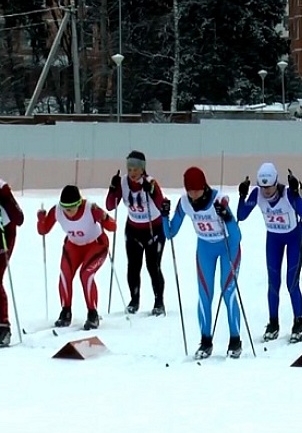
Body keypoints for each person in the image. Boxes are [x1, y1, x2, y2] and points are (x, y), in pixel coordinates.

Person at [162, 167, 243, 360]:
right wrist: (164, 215)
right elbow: (170, 233)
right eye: (190, 190)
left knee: (228, 292)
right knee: (205, 295)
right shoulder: (184, 203)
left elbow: (237, 236)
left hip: (228, 247)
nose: (194, 194)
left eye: (197, 190)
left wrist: (227, 217)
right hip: (205, 249)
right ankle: (205, 341)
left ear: (204, 186)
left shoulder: (218, 200)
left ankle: (235, 340)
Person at [237, 163, 302, 343]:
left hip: (293, 237)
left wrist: (296, 193)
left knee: (292, 282)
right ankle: (273, 322)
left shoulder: (287, 193)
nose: (266, 191)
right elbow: (241, 215)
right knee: (273, 281)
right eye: (262, 187)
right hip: (273, 239)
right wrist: (242, 195)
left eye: (269, 187)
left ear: (276, 182)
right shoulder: (257, 194)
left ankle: (298, 322)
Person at [37, 185, 116, 330]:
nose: (69, 213)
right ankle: (66, 311)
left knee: (86, 274)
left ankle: (92, 314)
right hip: (74, 246)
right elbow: (43, 230)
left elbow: (113, 226)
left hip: (96, 244)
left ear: (79, 204)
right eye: (65, 208)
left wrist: (103, 217)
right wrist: (41, 218)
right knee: (65, 274)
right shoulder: (58, 211)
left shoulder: (90, 209)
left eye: (72, 208)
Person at [105, 150, 167, 315]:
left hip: (154, 230)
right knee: (133, 267)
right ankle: (134, 300)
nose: (132, 173)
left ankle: (159, 302)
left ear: (143, 168)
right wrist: (113, 188)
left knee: (153, 267)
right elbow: (110, 206)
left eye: (136, 169)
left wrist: (152, 191)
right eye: (129, 168)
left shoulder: (150, 182)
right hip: (133, 230)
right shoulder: (124, 182)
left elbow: (162, 205)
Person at [0, 180, 23, 346]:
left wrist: (5, 199)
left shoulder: (1, 187)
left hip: (4, 235)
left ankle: (3, 327)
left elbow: (19, 218)